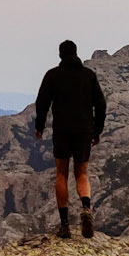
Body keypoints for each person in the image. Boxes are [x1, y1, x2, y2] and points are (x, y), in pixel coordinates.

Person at [32, 39, 107, 239]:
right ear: (76, 54)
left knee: (61, 173)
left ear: (60, 55)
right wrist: (97, 130)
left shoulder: (52, 75)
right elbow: (101, 105)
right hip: (84, 130)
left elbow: (42, 103)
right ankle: (86, 207)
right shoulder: (88, 76)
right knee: (82, 173)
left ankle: (65, 225)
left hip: (62, 130)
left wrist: (39, 126)